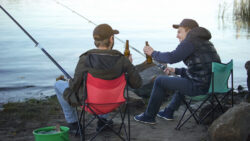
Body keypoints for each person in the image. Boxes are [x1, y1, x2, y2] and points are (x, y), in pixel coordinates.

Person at [55, 24, 142, 133]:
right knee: (105, 85)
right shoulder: (123, 60)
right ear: (111, 39)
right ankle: (102, 122)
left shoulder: (85, 58)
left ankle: (73, 124)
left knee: (58, 85)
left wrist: (69, 81)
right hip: (114, 102)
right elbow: (137, 84)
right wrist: (130, 64)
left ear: (95, 40)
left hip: (89, 103)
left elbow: (74, 86)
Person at [134, 19, 221, 124]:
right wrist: (176, 70)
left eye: (179, 31)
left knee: (159, 80)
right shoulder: (206, 42)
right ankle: (168, 112)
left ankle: (148, 116)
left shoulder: (190, 42)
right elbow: (200, 70)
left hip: (200, 88)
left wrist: (153, 53)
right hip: (212, 85)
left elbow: (172, 58)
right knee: (181, 80)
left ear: (189, 31)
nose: (177, 35)